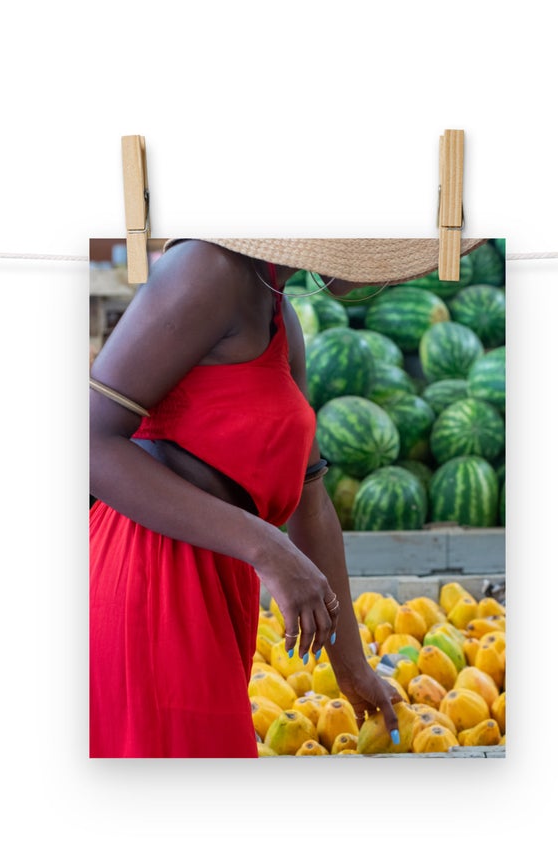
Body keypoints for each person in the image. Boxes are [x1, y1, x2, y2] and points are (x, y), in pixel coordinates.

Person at [88, 236, 488, 758]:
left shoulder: (279, 312)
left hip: (215, 586)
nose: (382, 275)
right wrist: (265, 546)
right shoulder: (208, 268)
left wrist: (352, 667)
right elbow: (89, 441)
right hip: (151, 582)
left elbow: (312, 502)